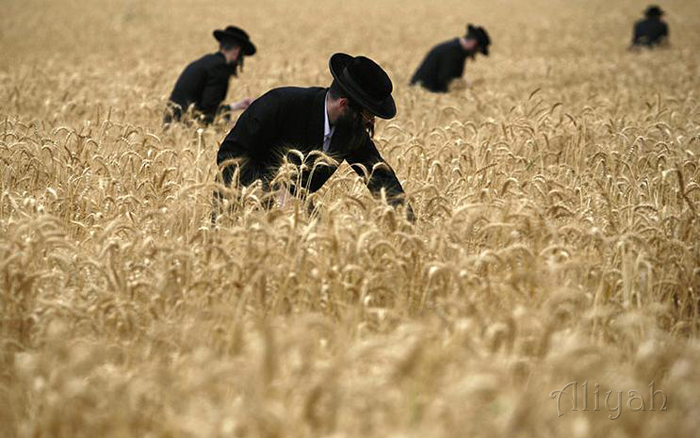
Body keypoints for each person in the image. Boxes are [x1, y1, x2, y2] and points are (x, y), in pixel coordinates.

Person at [214, 53, 414, 221]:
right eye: (367, 115)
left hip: (292, 220)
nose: (370, 123)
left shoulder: (351, 131)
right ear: (344, 104)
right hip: (236, 211)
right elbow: (230, 154)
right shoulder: (280, 104)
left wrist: (408, 224)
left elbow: (379, 175)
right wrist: (273, 192)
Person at [164, 26, 256, 126]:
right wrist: (231, 125)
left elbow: (205, 107)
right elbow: (208, 112)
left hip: (173, 125)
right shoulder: (220, 68)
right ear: (237, 51)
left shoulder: (207, 61)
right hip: (185, 127)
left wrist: (237, 106)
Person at [410, 24, 491, 93]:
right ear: (474, 44)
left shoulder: (456, 49)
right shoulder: (453, 52)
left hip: (426, 93)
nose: (474, 54)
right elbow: (446, 81)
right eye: (477, 50)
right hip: (424, 92)